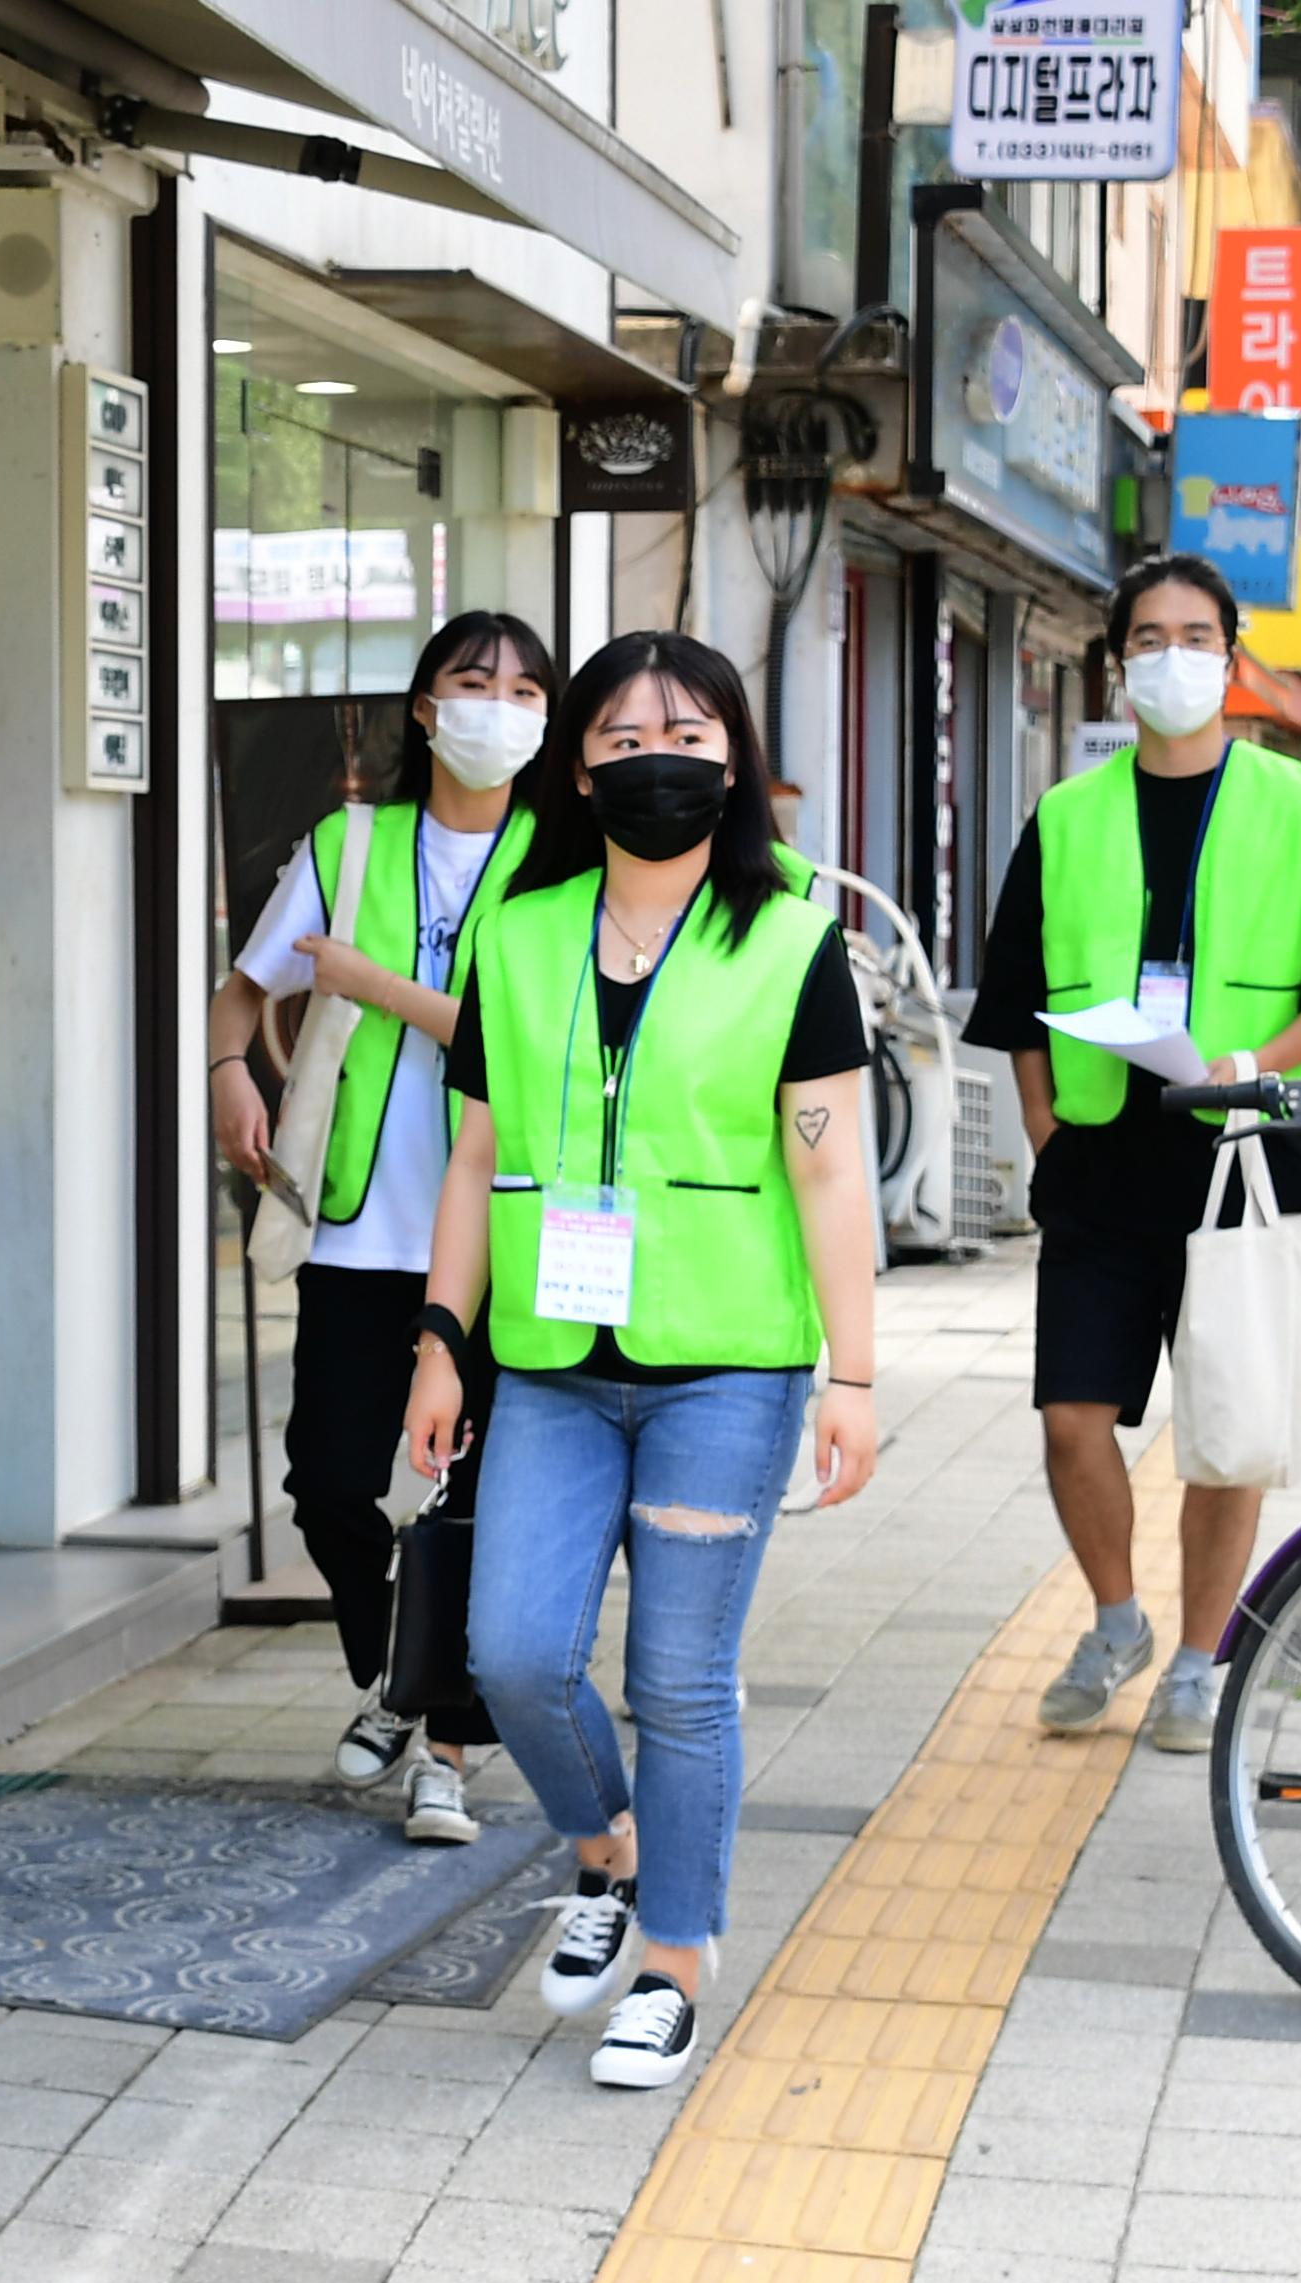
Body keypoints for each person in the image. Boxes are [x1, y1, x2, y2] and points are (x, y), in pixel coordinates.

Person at [407, 630, 881, 2089]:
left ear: (730, 759)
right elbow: (477, 1151)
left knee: (680, 1678)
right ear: (580, 767)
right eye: (618, 738)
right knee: (516, 1654)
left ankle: (673, 1958)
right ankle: (608, 1849)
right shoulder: (523, 932)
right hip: (553, 1359)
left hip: (728, 1367)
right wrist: (440, 1342)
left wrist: (853, 1378)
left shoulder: (791, 936)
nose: (650, 759)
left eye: (682, 734)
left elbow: (831, 1173)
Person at [960, 554, 1301, 1754]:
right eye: (1147, 637)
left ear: (1232, 653)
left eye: (1194, 635)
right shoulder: (1065, 818)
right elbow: (1014, 1004)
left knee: (1230, 1422)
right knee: (1070, 1418)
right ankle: (1117, 1621)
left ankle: (1201, 1660)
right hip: (1101, 1166)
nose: (1171, 657)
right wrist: (1046, 1132)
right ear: (1117, 664)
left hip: (1248, 1158)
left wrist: (1256, 1063)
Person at [210, 611, 559, 1845]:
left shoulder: (566, 860)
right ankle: (392, 1680)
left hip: (506, 1232)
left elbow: (526, 1042)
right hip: (361, 1225)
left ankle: (447, 1753)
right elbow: (250, 984)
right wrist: (228, 1071)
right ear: (424, 708)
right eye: (473, 682)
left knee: (471, 1499)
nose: (497, 708)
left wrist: (372, 986)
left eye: (524, 690)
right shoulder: (354, 842)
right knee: (331, 1485)